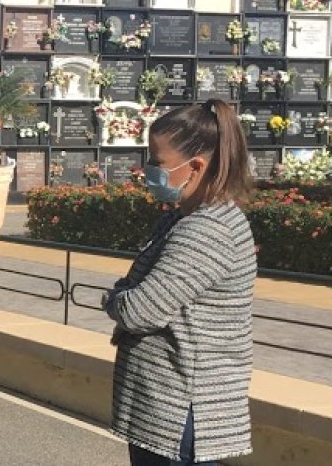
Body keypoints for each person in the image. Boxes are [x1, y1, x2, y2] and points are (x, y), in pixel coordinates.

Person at [103, 99, 256, 466]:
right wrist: (126, 293)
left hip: (182, 411)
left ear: (196, 167)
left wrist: (114, 298)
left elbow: (138, 310)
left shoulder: (208, 230)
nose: (147, 171)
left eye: (157, 162)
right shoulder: (183, 218)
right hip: (164, 408)